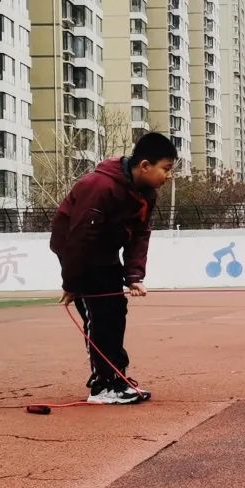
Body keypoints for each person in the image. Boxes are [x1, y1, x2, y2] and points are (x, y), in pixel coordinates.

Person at [50, 132, 177, 405]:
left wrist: (133, 276)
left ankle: (116, 376)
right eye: (165, 169)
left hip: (104, 253)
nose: (168, 176)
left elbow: (140, 234)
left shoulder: (146, 194)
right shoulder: (99, 186)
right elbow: (80, 238)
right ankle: (102, 385)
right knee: (100, 316)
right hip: (77, 250)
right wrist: (72, 283)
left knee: (116, 312)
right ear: (144, 165)